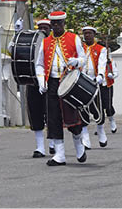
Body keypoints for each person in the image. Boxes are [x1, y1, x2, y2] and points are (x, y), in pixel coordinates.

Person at [36, 11, 86, 166]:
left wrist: (76, 61)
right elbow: (39, 64)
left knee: (72, 116)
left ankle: (79, 144)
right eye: (54, 24)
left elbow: (84, 59)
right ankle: (60, 154)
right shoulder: (45, 42)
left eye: (59, 23)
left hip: (69, 82)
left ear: (64, 23)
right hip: (52, 82)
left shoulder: (74, 38)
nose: (56, 26)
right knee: (53, 118)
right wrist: (40, 81)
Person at [80, 26, 118, 149]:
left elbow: (102, 64)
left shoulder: (100, 49)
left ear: (94, 34)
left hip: (96, 82)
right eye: (85, 33)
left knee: (98, 108)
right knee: (82, 108)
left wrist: (101, 75)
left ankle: (101, 130)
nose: (87, 36)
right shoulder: (80, 48)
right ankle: (85, 137)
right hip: (82, 81)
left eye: (89, 33)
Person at [26, 19, 55, 158]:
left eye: (46, 27)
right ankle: (40, 147)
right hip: (33, 82)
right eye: (40, 27)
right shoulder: (32, 42)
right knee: (35, 114)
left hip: (50, 82)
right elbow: (13, 50)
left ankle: (53, 143)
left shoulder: (54, 43)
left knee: (51, 114)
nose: (43, 29)